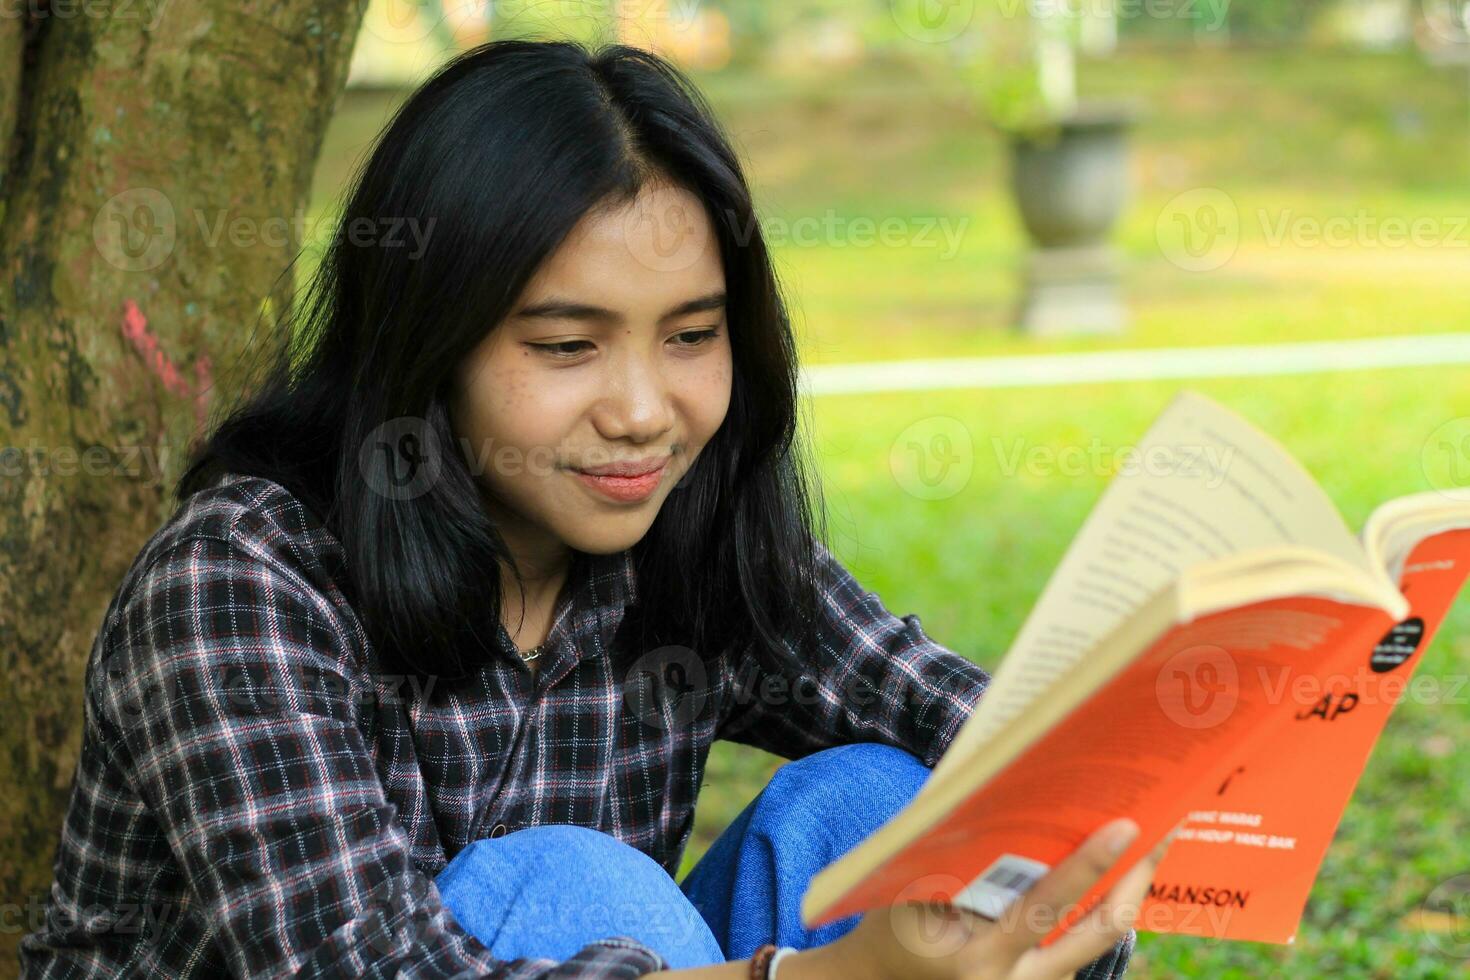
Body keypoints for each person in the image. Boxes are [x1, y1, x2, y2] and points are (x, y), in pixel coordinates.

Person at [19, 38, 1170, 979]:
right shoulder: (241, 579)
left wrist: (1157, 776)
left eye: (692, 336)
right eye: (567, 345)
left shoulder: (683, 524)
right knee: (577, 880)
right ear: (429, 341)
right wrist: (830, 976)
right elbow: (367, 963)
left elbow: (960, 718)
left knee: (876, 801)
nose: (640, 411)